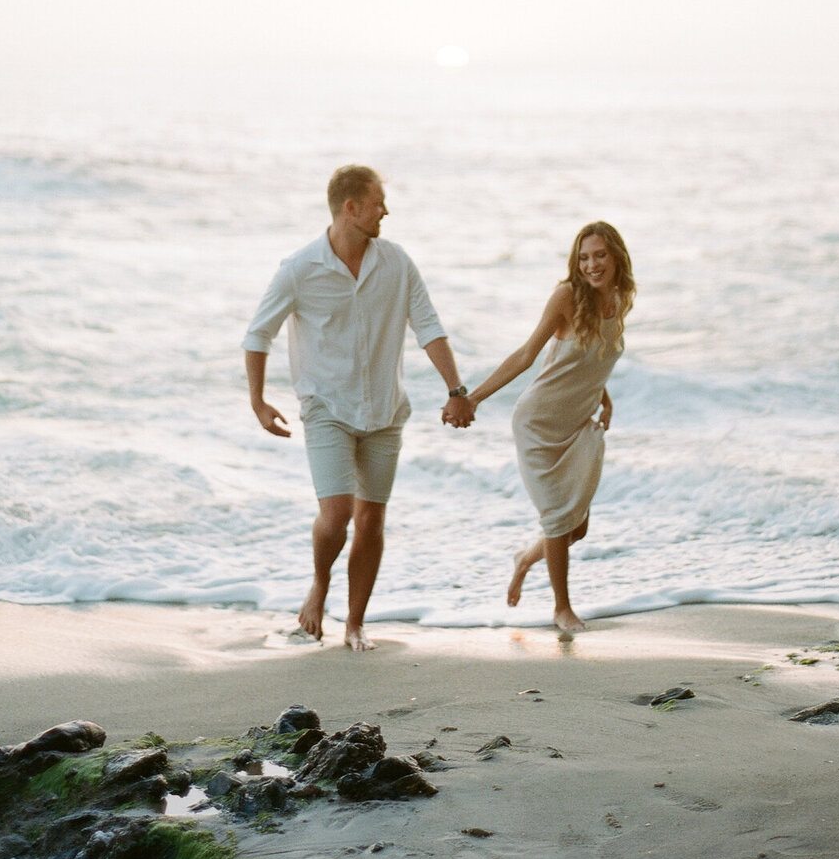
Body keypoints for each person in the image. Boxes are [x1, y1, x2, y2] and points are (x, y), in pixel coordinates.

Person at [244, 165, 473, 650]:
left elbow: (428, 327)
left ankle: (354, 623)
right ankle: (320, 582)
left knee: (371, 520)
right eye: (377, 202)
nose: (385, 210)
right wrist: (258, 402)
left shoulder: (396, 263)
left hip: (386, 411)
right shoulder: (299, 269)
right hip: (326, 407)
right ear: (351, 208)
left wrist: (456, 390)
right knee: (338, 513)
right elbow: (257, 334)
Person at [459, 222, 635, 636]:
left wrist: (604, 398)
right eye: (584, 257)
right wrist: (474, 398)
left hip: (577, 421)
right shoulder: (566, 297)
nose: (592, 265)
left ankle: (524, 558)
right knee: (558, 520)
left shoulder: (619, 298)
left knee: (576, 527)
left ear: (616, 258)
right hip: (539, 422)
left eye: (600, 255)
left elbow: (592, 358)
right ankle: (562, 609)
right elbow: (526, 355)